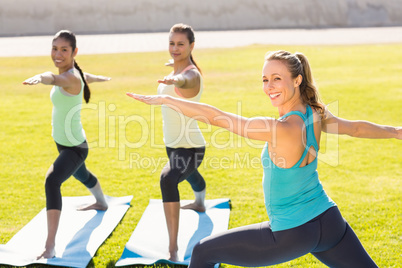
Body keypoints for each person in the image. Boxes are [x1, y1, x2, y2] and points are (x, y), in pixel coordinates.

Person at [127, 50, 401, 267]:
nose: (269, 86)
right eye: (265, 79)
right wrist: (396, 132)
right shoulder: (315, 113)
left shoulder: (278, 128)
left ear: (297, 79)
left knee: (202, 252)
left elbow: (215, 117)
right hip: (329, 222)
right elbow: (354, 128)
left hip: (290, 233)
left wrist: (165, 101)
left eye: (277, 78)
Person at [23, 30, 110, 259]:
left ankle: (50, 245)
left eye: (64, 50)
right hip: (63, 143)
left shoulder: (69, 78)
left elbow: (53, 78)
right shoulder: (74, 73)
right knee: (82, 175)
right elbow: (83, 75)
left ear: (74, 52)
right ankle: (101, 202)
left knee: (52, 181)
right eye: (55, 49)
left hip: (75, 147)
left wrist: (41, 77)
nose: (58, 54)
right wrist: (98, 78)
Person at [151, 23, 207, 261]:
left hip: (192, 147)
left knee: (168, 178)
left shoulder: (191, 75)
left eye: (180, 44)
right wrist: (174, 68)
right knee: (191, 176)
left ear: (191, 46)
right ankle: (200, 203)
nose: (174, 48)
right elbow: (178, 69)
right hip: (172, 145)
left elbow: (186, 78)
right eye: (171, 43)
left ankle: (173, 248)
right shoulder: (176, 67)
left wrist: (176, 79)